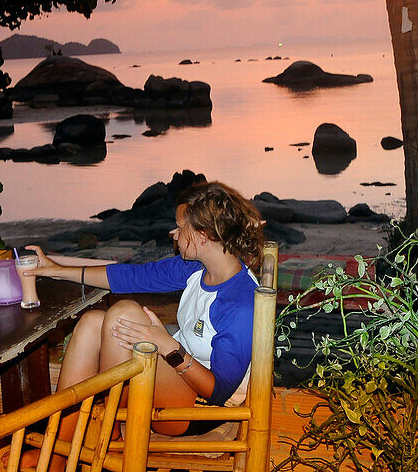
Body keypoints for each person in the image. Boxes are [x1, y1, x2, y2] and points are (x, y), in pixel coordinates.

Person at [23, 180, 264, 468]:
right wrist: (55, 270)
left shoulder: (239, 303)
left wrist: (170, 349)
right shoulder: (197, 268)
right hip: (178, 383)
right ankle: (59, 452)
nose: (173, 234)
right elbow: (129, 277)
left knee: (124, 314)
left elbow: (219, 391)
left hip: (204, 408)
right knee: (91, 323)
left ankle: (107, 429)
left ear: (202, 236)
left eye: (180, 228)